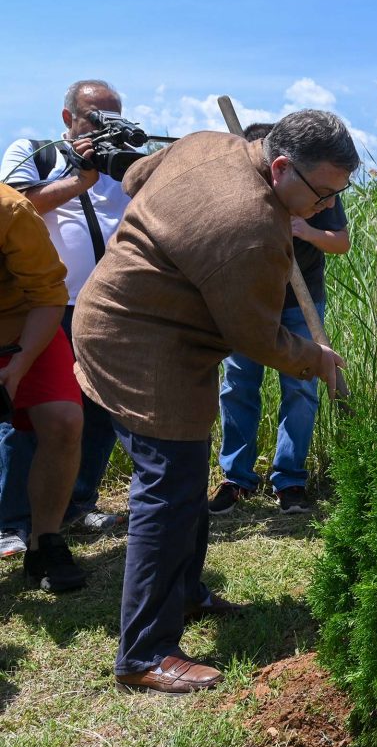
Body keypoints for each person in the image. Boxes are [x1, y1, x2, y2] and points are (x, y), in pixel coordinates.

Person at [72, 109, 357, 694]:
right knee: (167, 488)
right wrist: (317, 360)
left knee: (182, 471)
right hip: (139, 342)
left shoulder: (207, 144)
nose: (327, 207)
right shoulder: (253, 227)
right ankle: (145, 653)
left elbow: (132, 180)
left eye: (337, 195)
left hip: (141, 322)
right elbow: (255, 337)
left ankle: (185, 594)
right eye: (322, 193)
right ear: (280, 167)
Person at [0, 79, 131, 552]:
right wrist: (78, 179)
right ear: (67, 117)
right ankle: (12, 521)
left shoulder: (122, 161)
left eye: (113, 116)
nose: (105, 126)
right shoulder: (35, 152)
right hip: (44, 306)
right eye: (95, 117)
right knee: (29, 416)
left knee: (96, 411)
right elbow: (18, 208)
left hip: (110, 307)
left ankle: (77, 505)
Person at [209, 122, 350, 516]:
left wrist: (303, 230)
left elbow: (341, 242)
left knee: (302, 386)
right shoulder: (239, 186)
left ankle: (289, 480)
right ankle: (236, 478)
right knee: (238, 384)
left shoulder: (316, 186)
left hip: (300, 302)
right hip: (249, 301)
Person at [0, 183, 85, 587]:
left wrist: (18, 366)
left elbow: (50, 294)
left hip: (26, 324)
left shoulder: (11, 210)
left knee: (64, 420)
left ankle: (43, 542)